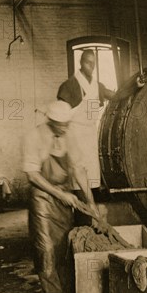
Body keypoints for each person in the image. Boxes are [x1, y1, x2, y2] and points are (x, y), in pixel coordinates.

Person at [22, 100, 100, 293]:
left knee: (64, 247)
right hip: (43, 199)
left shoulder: (69, 135)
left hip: (64, 196)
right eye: (60, 124)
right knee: (46, 248)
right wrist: (58, 194)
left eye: (67, 123)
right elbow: (32, 174)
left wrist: (90, 201)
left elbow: (78, 168)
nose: (64, 128)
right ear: (50, 120)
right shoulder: (34, 136)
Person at [57, 49, 116, 192]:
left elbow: (116, 95)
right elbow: (59, 114)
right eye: (88, 62)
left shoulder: (97, 86)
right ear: (81, 63)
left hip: (90, 136)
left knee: (92, 180)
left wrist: (135, 86)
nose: (92, 66)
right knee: (77, 180)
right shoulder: (69, 85)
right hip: (75, 136)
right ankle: (80, 211)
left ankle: (90, 208)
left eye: (93, 63)